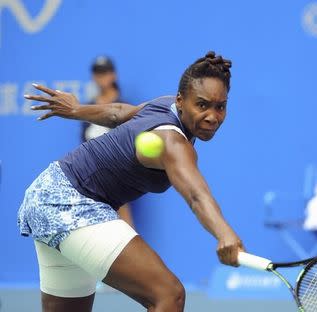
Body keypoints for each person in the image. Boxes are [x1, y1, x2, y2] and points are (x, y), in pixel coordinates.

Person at [19, 51, 244, 312]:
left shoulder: (166, 104)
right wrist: (224, 233)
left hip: (48, 193)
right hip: (71, 202)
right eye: (202, 105)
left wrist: (77, 109)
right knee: (169, 295)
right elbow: (195, 195)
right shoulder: (173, 143)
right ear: (182, 101)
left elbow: (119, 113)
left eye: (221, 106)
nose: (212, 116)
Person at [82, 55, 135, 228]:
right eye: (98, 73)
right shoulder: (88, 109)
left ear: (113, 75)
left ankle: (132, 254)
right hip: (93, 177)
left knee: (123, 225)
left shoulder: (125, 108)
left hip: (118, 175)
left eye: (105, 72)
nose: (101, 77)